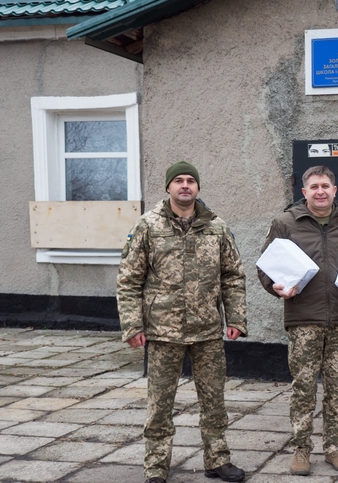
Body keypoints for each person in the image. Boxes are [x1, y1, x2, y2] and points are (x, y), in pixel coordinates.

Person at [117, 161, 247, 483]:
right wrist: (132, 326)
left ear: (198, 188)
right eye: (178, 181)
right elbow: (129, 279)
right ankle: (156, 467)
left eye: (191, 180)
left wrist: (236, 319)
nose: (185, 185)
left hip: (207, 332)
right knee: (159, 406)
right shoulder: (148, 226)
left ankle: (218, 460)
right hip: (163, 333)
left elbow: (233, 276)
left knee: (214, 402)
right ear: (168, 188)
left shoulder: (217, 227)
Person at [258, 165, 338, 476]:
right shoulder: (285, 223)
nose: (320, 191)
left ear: (335, 190)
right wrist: (274, 287)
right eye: (314, 187)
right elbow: (265, 268)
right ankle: (301, 450)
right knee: (303, 388)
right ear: (304, 192)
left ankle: (334, 448)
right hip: (303, 320)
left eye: (325, 186)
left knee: (337, 389)